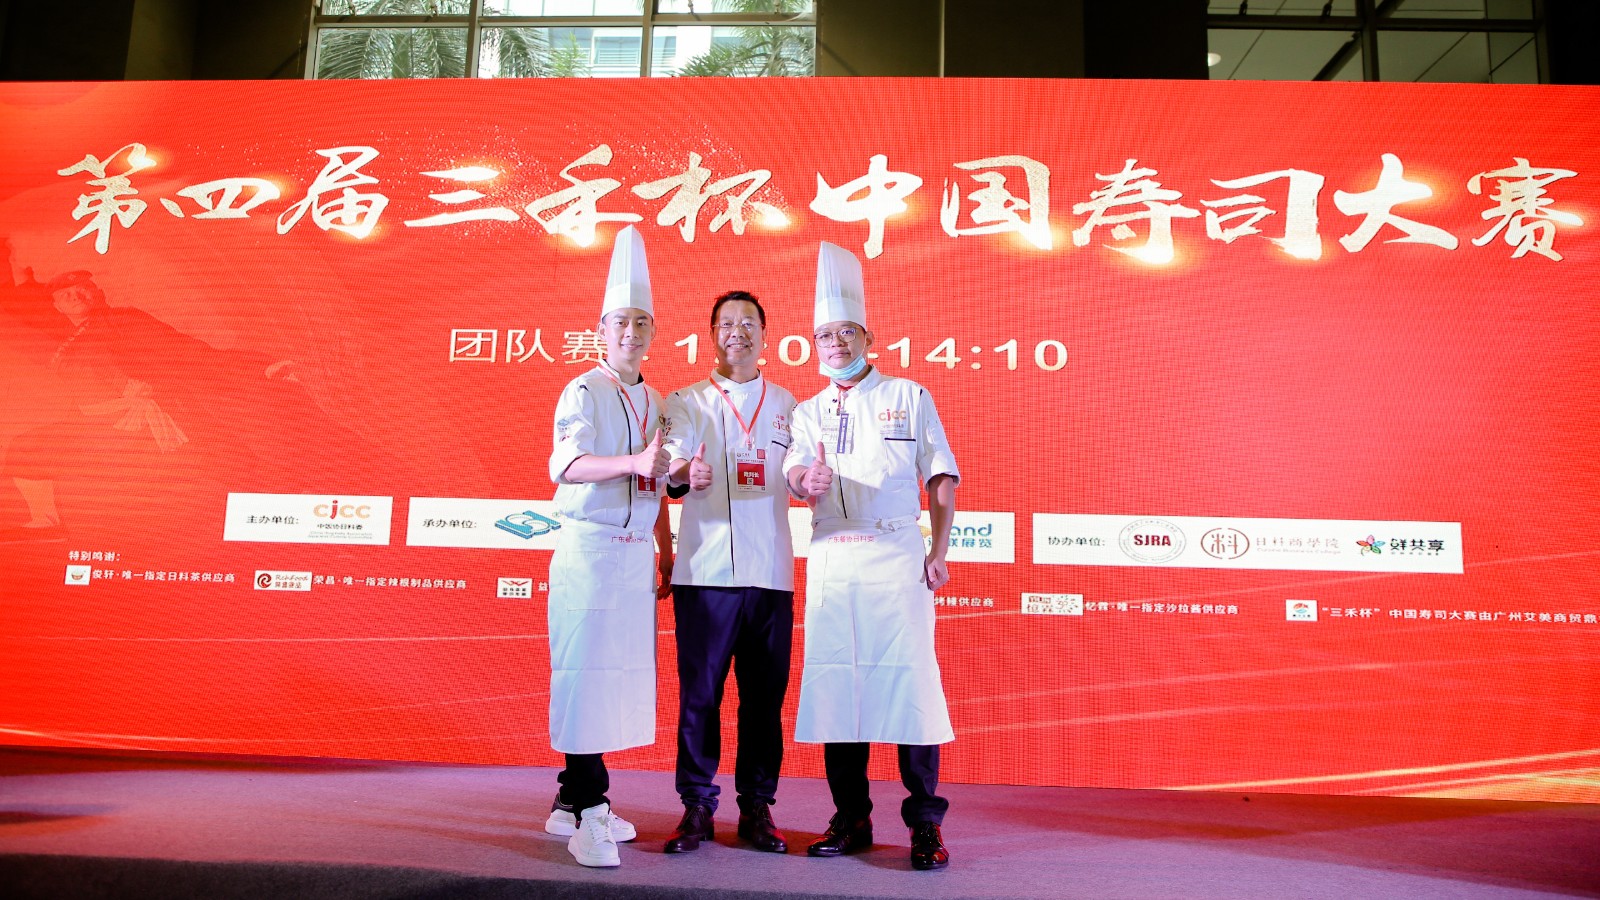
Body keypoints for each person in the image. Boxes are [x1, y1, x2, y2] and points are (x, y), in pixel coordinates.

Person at [784, 243, 959, 871]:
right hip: (834, 555)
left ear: (867, 337)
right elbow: (794, 473)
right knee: (839, 686)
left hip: (896, 553)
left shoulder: (909, 395)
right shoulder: (807, 411)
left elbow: (940, 475)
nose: (835, 343)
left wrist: (938, 550)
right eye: (824, 335)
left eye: (846, 332)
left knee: (911, 685)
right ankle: (851, 817)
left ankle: (925, 824)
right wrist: (806, 481)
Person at [543, 225, 674, 868]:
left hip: (633, 553)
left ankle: (570, 801)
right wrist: (633, 462)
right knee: (585, 675)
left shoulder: (655, 398)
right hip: (591, 550)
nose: (631, 332)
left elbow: (658, 478)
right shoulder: (584, 389)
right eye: (620, 322)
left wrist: (665, 548)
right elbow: (568, 466)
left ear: (653, 332)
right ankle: (591, 812)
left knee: (616, 677)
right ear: (600, 330)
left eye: (641, 322)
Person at [658, 290, 798, 854]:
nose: (736, 331)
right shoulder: (685, 400)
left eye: (747, 323)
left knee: (764, 702)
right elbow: (670, 461)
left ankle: (757, 807)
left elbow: (799, 470)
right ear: (712, 334)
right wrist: (682, 473)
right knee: (700, 697)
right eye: (725, 323)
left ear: (764, 335)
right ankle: (696, 805)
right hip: (705, 572)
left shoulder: (789, 404)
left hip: (770, 574)